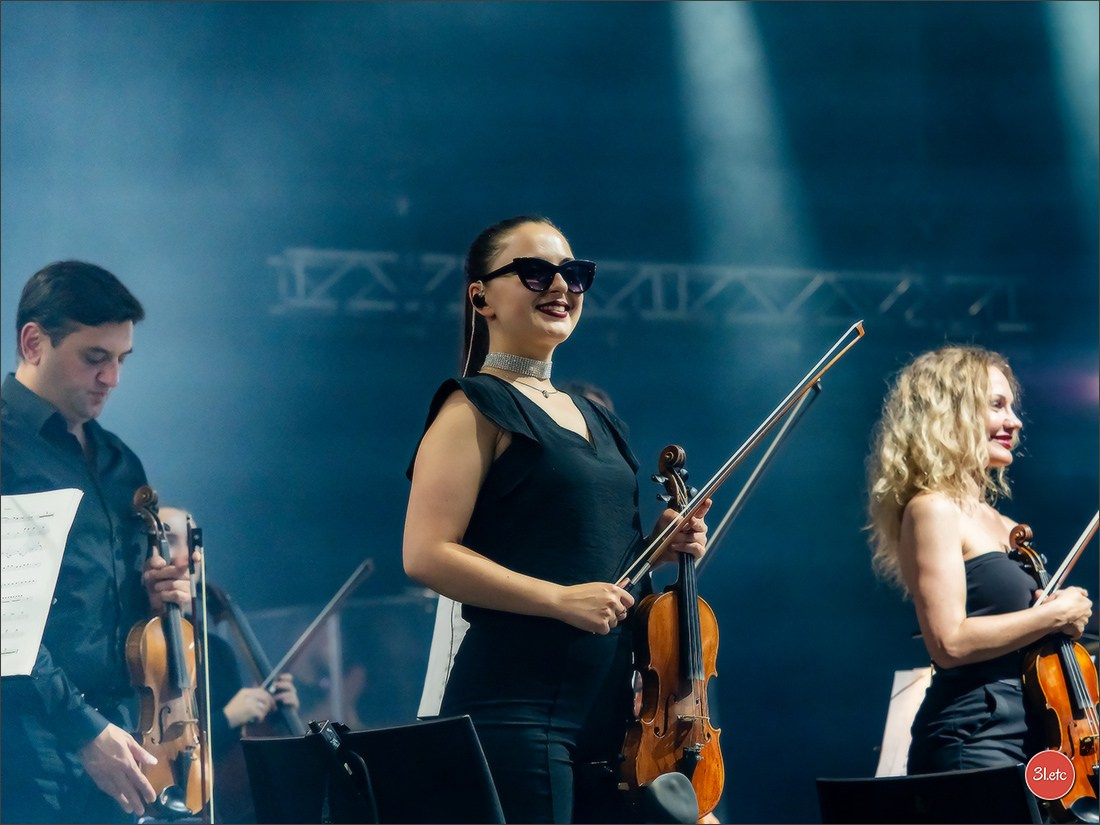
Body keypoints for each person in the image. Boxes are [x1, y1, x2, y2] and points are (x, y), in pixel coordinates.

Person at [403, 216, 711, 823]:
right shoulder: (475, 405)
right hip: (517, 712)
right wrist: (559, 600)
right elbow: (426, 553)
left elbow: (593, 552)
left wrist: (659, 547)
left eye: (574, 274)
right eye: (535, 272)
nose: (561, 287)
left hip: (613, 723)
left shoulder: (598, 419)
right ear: (481, 297)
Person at [1, 261, 194, 823]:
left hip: (121, 740)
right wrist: (83, 731)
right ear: (33, 341)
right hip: (23, 746)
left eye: (120, 360)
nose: (112, 378)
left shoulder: (119, 461)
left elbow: (124, 611)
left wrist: (159, 597)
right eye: (95, 357)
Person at [866, 345, 1093, 774]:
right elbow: (948, 642)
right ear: (950, 415)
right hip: (976, 736)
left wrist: (1071, 614)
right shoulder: (933, 508)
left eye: (1012, 406)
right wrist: (1053, 615)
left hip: (1035, 736)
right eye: (997, 405)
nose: (1015, 421)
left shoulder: (1003, 522)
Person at [158, 506, 299, 823]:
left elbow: (232, 756)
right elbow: (164, 748)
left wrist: (271, 716)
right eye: (160, 540)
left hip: (217, 804)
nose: (184, 556)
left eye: (189, 544)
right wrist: (231, 715)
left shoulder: (217, 651)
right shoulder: (137, 643)